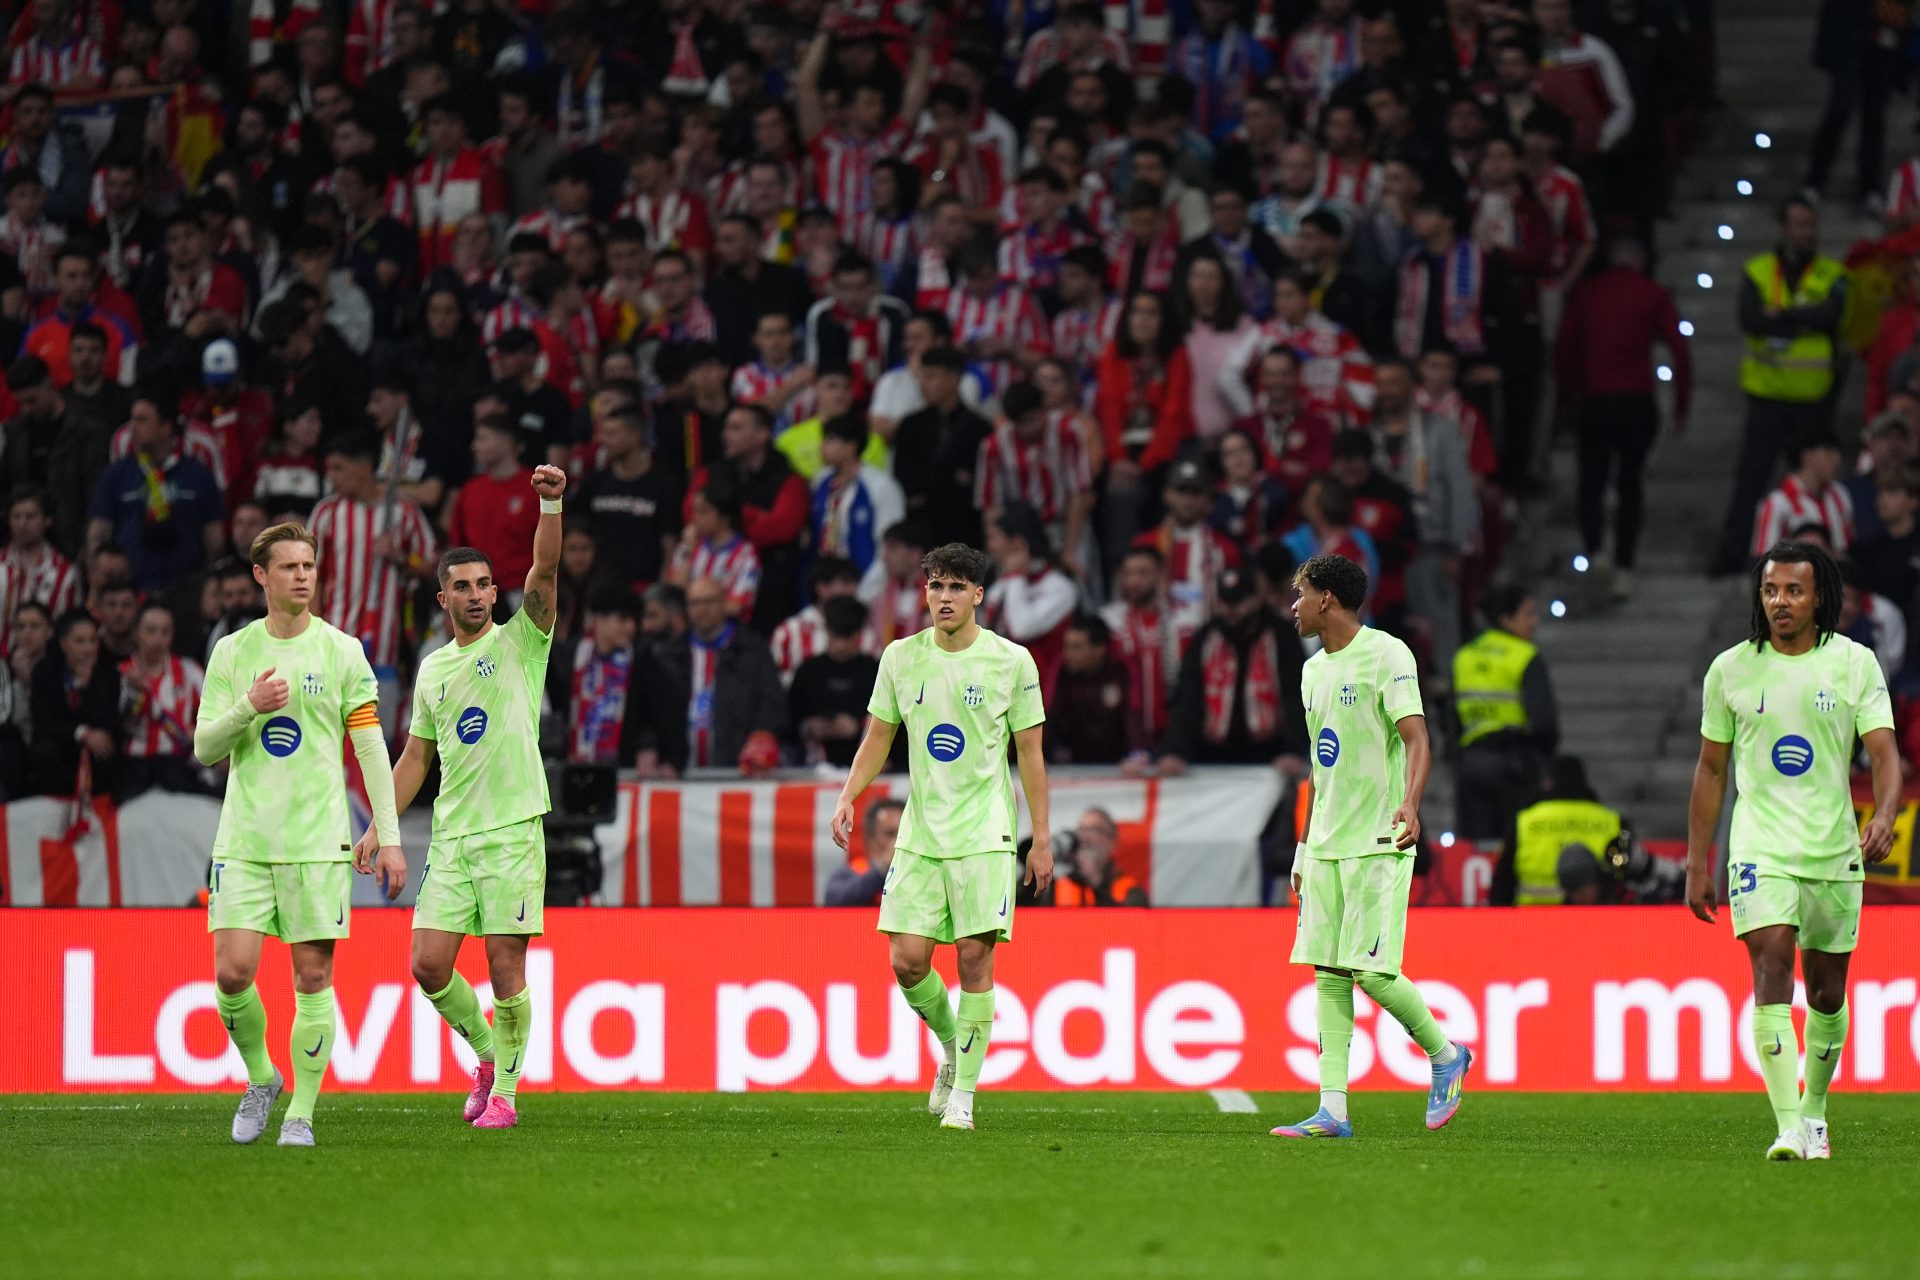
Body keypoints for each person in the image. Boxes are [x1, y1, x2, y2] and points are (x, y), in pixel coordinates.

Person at [356, 465, 566, 1132]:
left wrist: (551, 506)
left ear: (494, 592)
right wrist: (381, 826)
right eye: (462, 587)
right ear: (443, 599)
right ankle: (485, 1056)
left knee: (505, 963)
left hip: (511, 830)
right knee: (427, 964)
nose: (476, 595)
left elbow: (547, 573)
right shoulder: (433, 669)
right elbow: (417, 756)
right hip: (452, 837)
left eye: (483, 585)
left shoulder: (521, 643)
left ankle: (505, 1093)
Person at [1686, 540, 1901, 1161]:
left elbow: (1886, 755)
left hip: (1834, 848)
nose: (1780, 602)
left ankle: (1814, 1114)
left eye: (1794, 591)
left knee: (1828, 993)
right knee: (1771, 966)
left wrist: (1883, 815)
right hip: (1761, 846)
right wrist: (1699, 863)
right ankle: (1786, 1126)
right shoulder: (1730, 669)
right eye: (1771, 590)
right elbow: (1709, 770)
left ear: (1820, 598)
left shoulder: (1854, 664)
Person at [191, 522, 404, 1148]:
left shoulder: (342, 652)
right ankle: (262, 1077)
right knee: (232, 974)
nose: (303, 576)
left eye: (309, 565)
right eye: (289, 567)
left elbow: (370, 748)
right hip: (246, 840)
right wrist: (248, 706)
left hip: (318, 842)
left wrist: (387, 835)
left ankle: (302, 1113)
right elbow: (205, 747)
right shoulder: (233, 653)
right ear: (261, 576)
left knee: (312, 979)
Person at [831, 541, 1055, 1131]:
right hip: (920, 833)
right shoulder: (901, 658)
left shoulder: (1012, 662)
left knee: (975, 963)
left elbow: (1031, 755)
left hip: (985, 833)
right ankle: (955, 1048)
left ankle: (964, 1100)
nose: (945, 596)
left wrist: (1043, 838)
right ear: (923, 592)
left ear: (978, 595)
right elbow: (879, 736)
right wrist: (848, 794)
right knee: (906, 962)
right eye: (936, 586)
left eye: (957, 587)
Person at [1271, 552, 1471, 1140]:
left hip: (1379, 840)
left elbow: (1417, 739)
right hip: (1328, 843)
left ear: (1326, 598)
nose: (1294, 605)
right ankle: (1332, 1109)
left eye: (1299, 593)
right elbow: (1319, 768)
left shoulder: (1387, 654)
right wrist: (1304, 848)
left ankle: (1444, 1054)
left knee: (1373, 971)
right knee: (1328, 973)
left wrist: (1410, 803)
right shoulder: (1313, 672)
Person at [1716, 199, 1848, 575]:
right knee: (1751, 481)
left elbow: (1832, 316)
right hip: (1768, 394)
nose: (1807, 232)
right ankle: (1734, 557)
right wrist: (1805, 320)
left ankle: (1825, 562)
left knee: (1818, 484)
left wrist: (1784, 317)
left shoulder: (1831, 272)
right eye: (1799, 225)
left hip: (1812, 397)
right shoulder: (1758, 271)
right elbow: (1751, 320)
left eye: (1811, 225)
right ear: (1783, 228)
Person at [1556, 236, 1692, 596]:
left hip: (1595, 400)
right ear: (1641, 260)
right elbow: (1680, 350)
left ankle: (1595, 551)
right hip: (1637, 400)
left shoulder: (1588, 292)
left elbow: (1565, 347)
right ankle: (1625, 565)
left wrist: (1568, 398)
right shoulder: (1652, 293)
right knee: (1630, 483)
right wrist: (1680, 407)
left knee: (1592, 481)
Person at [633, 575, 785, 777]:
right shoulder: (668, 654)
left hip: (737, 773)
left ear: (723, 604)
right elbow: (648, 710)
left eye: (708, 602)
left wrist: (761, 736)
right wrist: (649, 746)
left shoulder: (753, 651)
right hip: (678, 773)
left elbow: (771, 702)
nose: (701, 610)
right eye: (694, 603)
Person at [1452, 584, 1560, 840]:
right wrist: (1545, 766)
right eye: (1529, 614)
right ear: (1506, 619)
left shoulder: (1464, 656)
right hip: (1515, 767)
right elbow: (1545, 723)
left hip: (1472, 766)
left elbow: (1451, 719)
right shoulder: (1525, 655)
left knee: (1474, 848)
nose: (1534, 622)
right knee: (1516, 848)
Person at [1492, 755, 1623, 905]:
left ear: (1549, 782)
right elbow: (1625, 879)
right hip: (1597, 921)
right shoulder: (1611, 821)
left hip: (1532, 922)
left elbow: (1503, 883)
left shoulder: (1525, 821)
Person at [117, 600, 206, 799]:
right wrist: (134, 691)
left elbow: (215, 716)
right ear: (136, 633)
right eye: (151, 630)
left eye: (165, 632)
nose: (158, 639)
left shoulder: (189, 671)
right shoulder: (121, 673)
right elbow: (124, 725)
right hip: (133, 763)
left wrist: (199, 733)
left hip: (177, 763)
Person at [29, 606, 121, 798]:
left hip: (95, 750)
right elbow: (44, 722)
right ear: (63, 643)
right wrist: (82, 733)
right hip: (61, 745)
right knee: (46, 751)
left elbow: (108, 721)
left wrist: (87, 689)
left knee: (106, 746)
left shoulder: (108, 673)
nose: (88, 648)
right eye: (79, 641)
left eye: (92, 641)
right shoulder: (45, 672)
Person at [789, 596, 881, 768]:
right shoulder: (808, 672)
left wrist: (858, 728)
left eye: (848, 638)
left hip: (865, 768)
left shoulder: (876, 672)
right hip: (810, 766)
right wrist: (808, 727)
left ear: (859, 634)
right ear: (826, 631)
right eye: (836, 636)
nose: (841, 645)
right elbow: (788, 720)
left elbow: (896, 726)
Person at [1752, 431, 1854, 562]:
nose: (1837, 460)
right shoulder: (1777, 504)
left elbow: (1848, 548)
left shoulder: (1839, 495)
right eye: (1829, 452)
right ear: (1807, 456)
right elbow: (1764, 562)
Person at [1046, 615, 1132, 764]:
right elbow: (1050, 718)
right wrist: (1041, 756)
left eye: (1076, 648)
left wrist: (1135, 755)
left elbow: (1131, 718)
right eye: (1066, 646)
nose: (1067, 654)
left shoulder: (1120, 674)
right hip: (1073, 764)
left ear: (1099, 650)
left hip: (1119, 764)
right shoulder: (1062, 674)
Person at [1050, 807, 1147, 906]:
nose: (1084, 837)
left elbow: (1128, 919)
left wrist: (1095, 881)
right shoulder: (1060, 883)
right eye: (1081, 829)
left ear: (1111, 842)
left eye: (1093, 830)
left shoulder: (1128, 890)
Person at [824, 796, 903, 908]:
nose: (898, 841)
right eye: (890, 834)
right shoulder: (852, 872)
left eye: (902, 834)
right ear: (870, 839)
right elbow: (835, 901)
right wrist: (881, 869)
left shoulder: (917, 874)